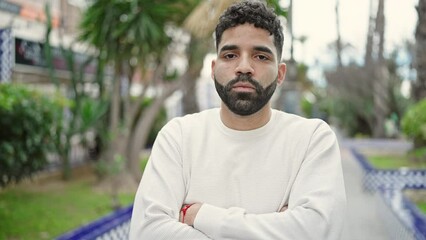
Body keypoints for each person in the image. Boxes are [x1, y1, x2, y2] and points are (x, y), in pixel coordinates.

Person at [129, 1, 346, 239]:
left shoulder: (312, 140)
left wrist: (201, 217)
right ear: (213, 68)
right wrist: (280, 226)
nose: (244, 67)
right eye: (230, 55)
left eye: (261, 56)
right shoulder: (178, 137)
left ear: (280, 73)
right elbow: (146, 231)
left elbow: (316, 231)